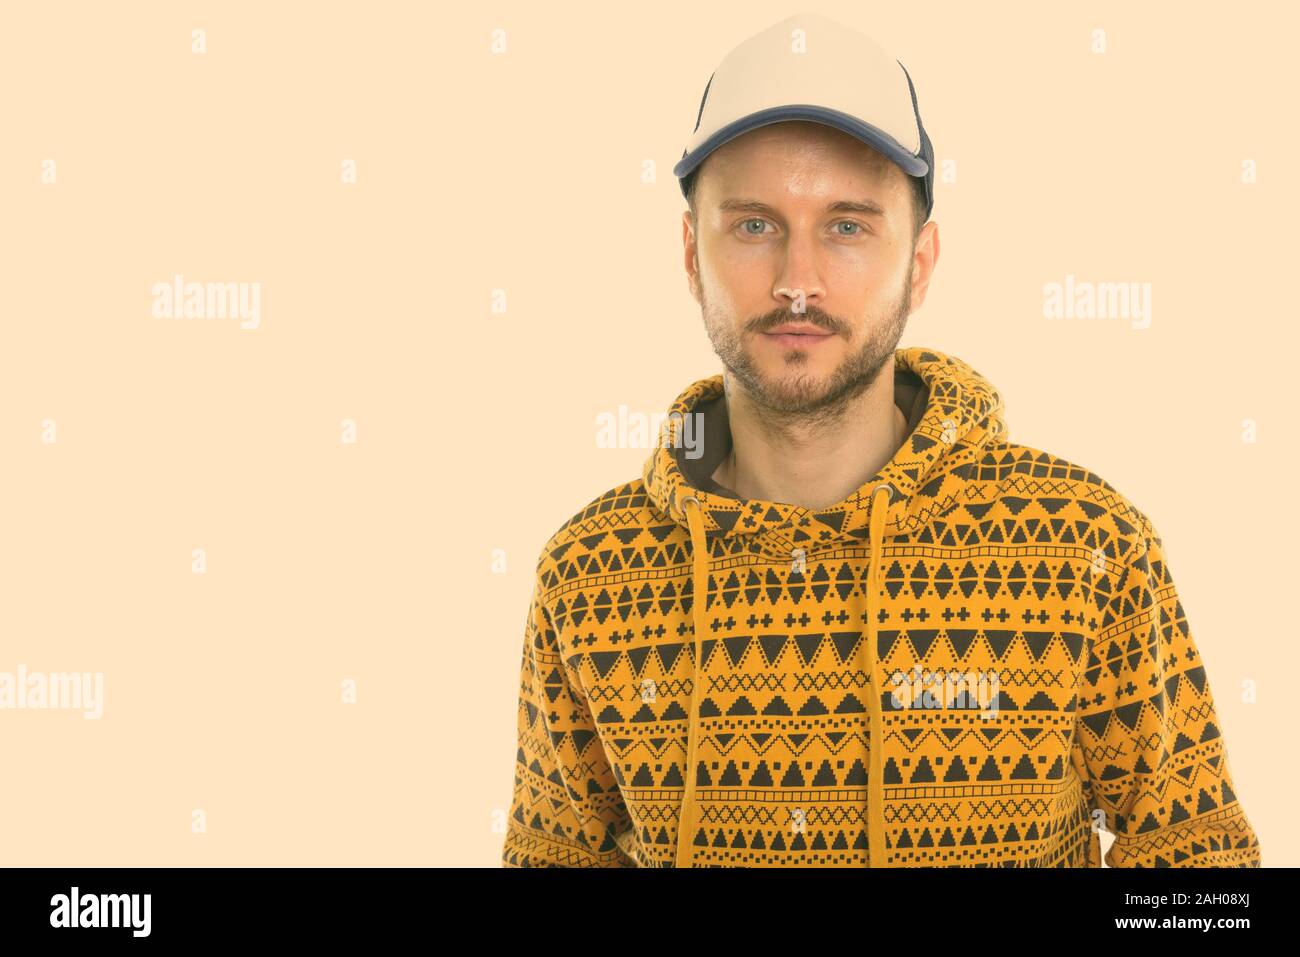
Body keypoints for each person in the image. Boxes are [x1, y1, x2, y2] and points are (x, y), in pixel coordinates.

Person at [500, 12, 1261, 868]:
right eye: (753, 224)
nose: (797, 281)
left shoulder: (1086, 544)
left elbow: (1205, 881)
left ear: (921, 263)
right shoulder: (588, 571)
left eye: (848, 225)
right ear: (689, 253)